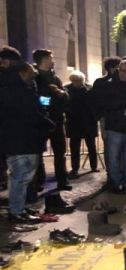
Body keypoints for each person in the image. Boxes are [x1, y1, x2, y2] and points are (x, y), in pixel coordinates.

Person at [0, 63, 53, 224]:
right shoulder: (18, 93)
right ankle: (16, 211)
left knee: (22, 178)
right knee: (20, 178)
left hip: (22, 141)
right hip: (22, 142)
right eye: (31, 72)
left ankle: (19, 208)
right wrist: (48, 123)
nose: (33, 75)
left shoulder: (16, 90)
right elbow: (33, 115)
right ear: (21, 73)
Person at [98, 59, 126, 194]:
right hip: (115, 126)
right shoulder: (109, 84)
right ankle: (116, 183)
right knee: (114, 157)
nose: (125, 74)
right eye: (123, 71)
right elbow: (105, 104)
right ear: (118, 70)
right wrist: (124, 103)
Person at [32, 49, 71, 191]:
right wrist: (50, 99)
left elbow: (65, 96)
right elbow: (36, 99)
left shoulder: (55, 77)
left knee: (60, 153)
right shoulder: (34, 77)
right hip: (41, 120)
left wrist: (61, 94)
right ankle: (38, 182)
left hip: (57, 120)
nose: (53, 60)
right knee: (38, 153)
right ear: (43, 59)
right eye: (51, 58)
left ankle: (62, 180)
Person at [64, 71, 98, 178]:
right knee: (75, 147)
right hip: (74, 122)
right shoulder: (66, 89)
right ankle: (75, 168)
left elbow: (94, 103)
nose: (77, 83)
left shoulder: (90, 89)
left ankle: (93, 166)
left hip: (88, 121)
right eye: (75, 81)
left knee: (91, 146)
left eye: (79, 81)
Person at [0, 46, 24, 192]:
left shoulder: (11, 77)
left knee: (19, 170)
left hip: (12, 128)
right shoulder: (25, 75)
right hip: (13, 128)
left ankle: (18, 207)